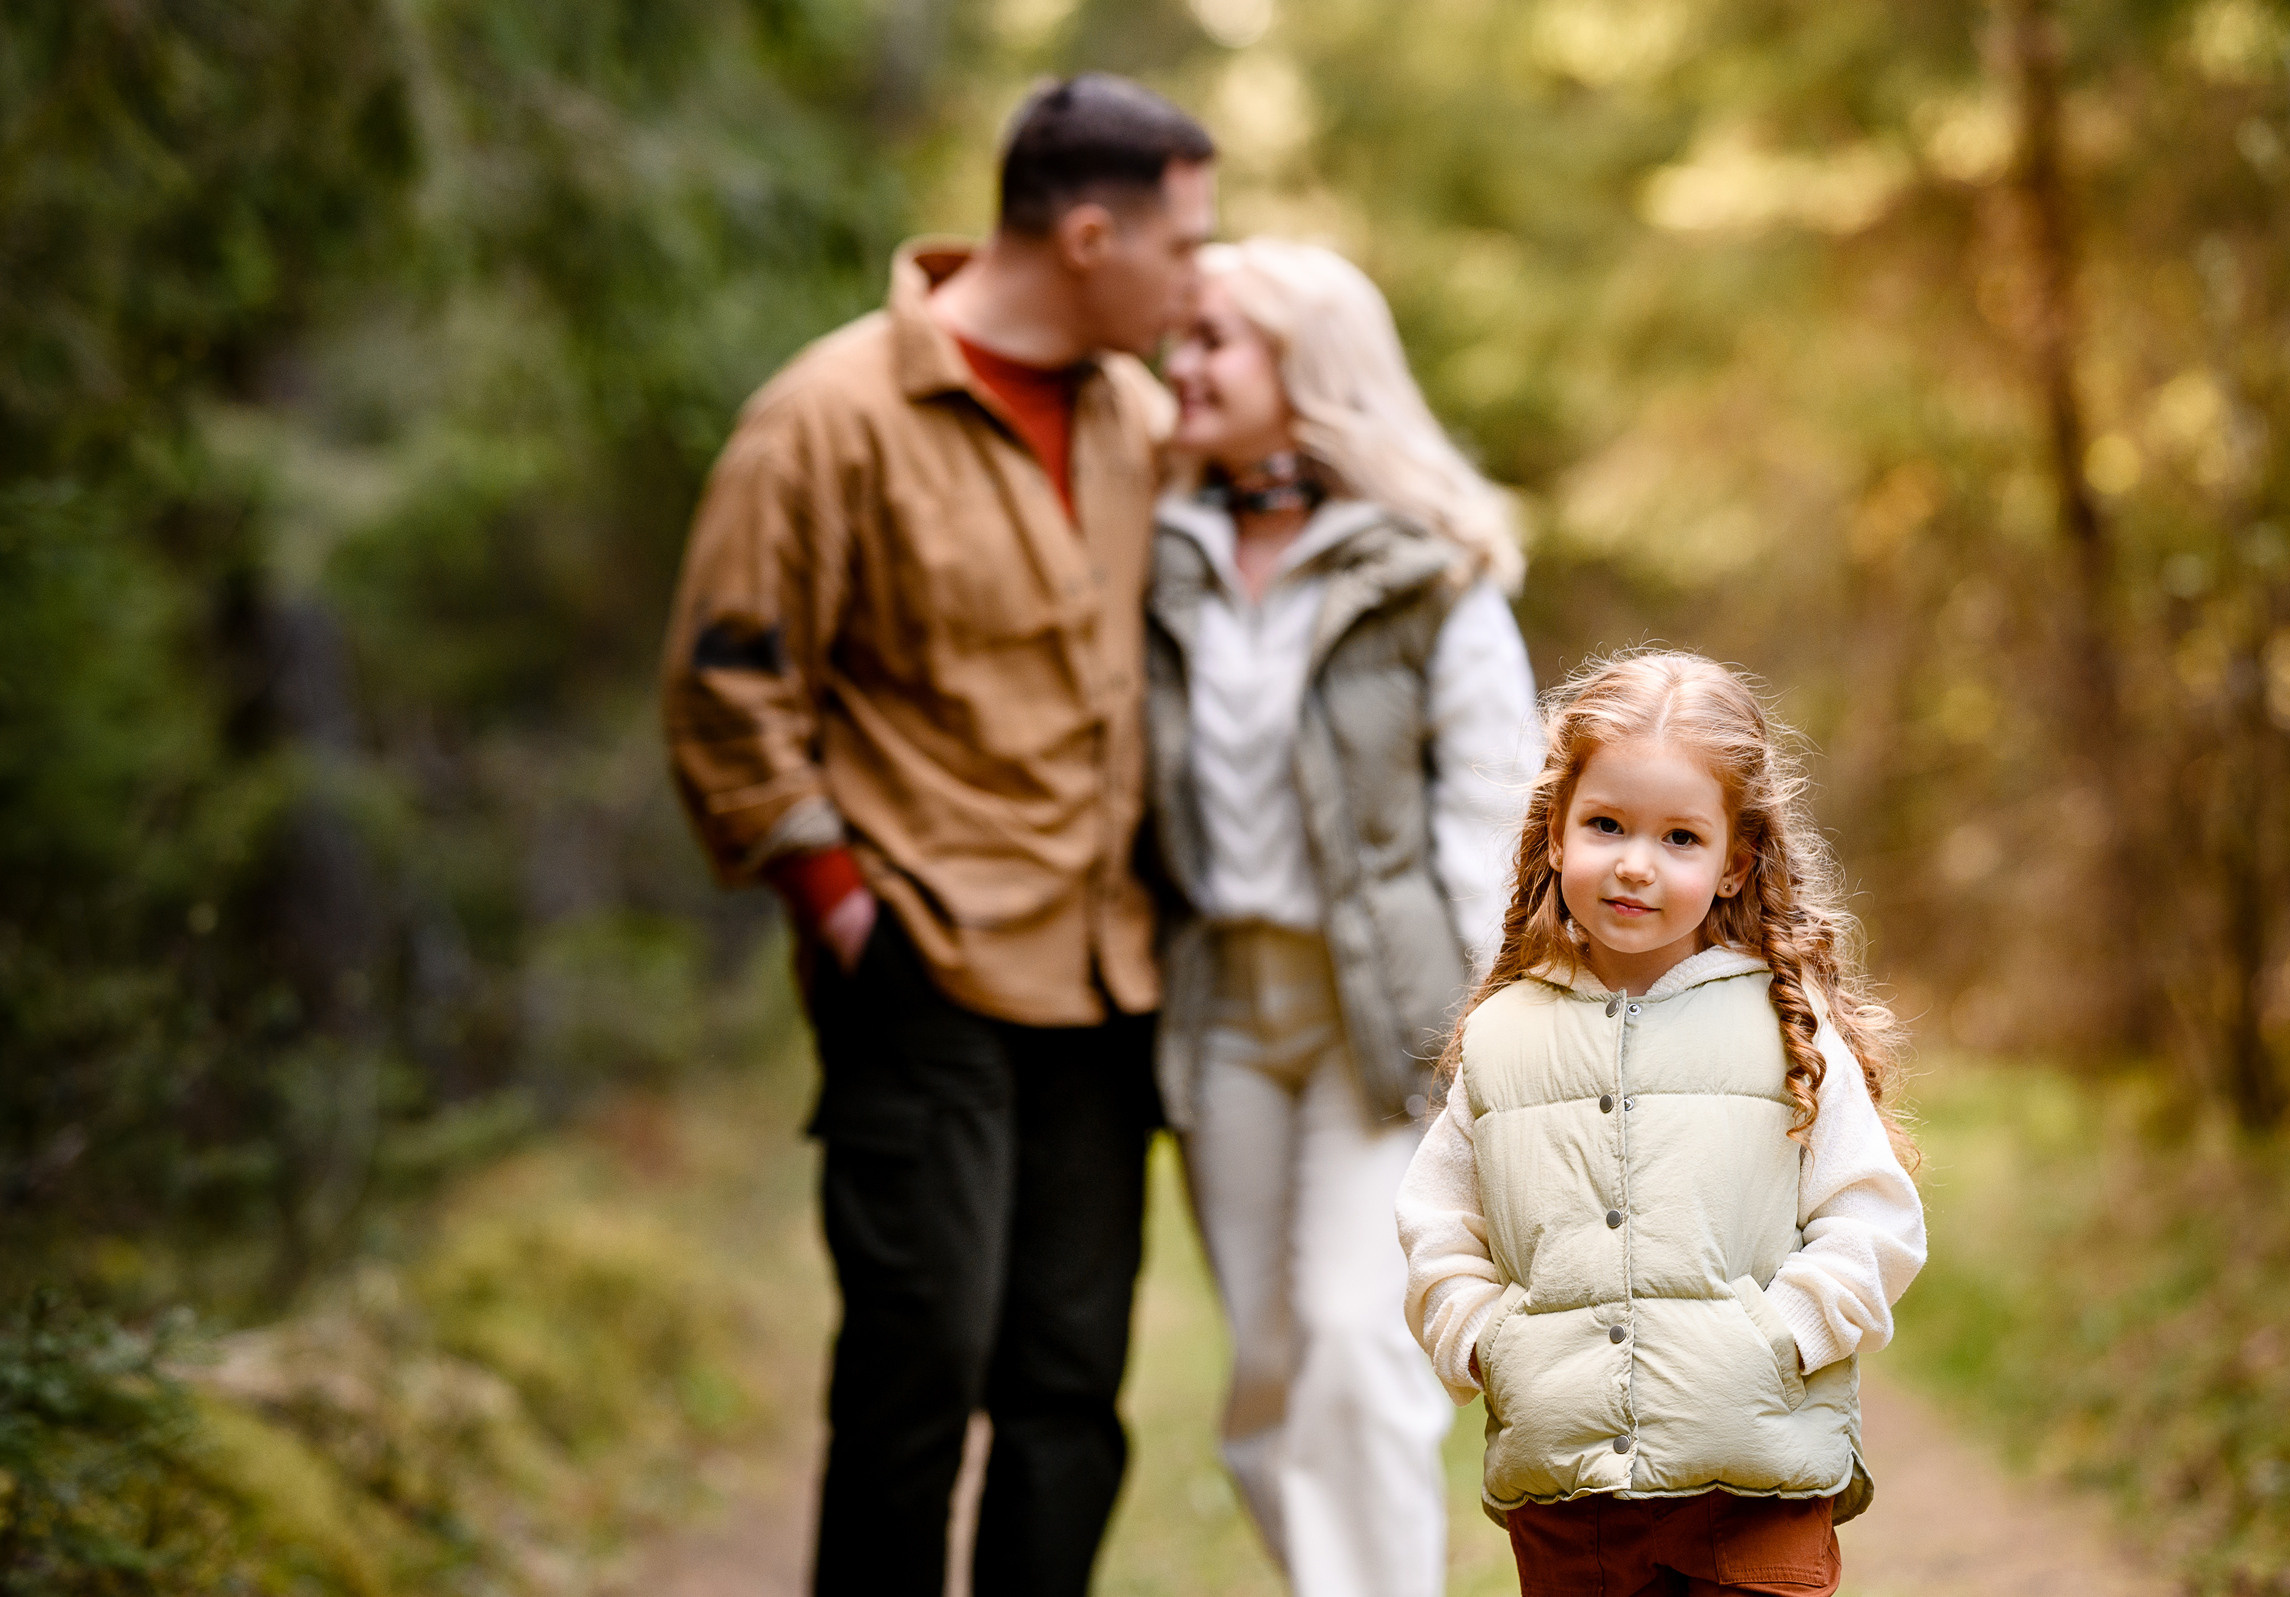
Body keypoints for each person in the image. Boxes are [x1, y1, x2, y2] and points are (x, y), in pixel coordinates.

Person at [659, 76, 1214, 1596]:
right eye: (1183, 247)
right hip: (923, 966)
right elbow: (726, 689)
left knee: (1069, 1385)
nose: (1197, 283)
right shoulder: (825, 416)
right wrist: (840, 904)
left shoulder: (1146, 419)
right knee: (918, 1377)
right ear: (1090, 235)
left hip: (1112, 982)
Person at [1144, 238, 1538, 1596]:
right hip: (1220, 1016)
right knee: (1263, 1371)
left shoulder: (1430, 573)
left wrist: (1494, 1044)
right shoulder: (1158, 552)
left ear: (1304, 370)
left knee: (1353, 1340)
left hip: (1384, 1019)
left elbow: (1496, 821)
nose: (1175, 363)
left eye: (1211, 341)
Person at [1397, 649, 1928, 1597]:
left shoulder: (1783, 1022)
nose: (1636, 864)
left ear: (1736, 862)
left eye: (1681, 837)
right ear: (1555, 837)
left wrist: (1778, 1339)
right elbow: (1440, 1228)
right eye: (1606, 825)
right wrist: (1490, 1345)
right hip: (1573, 1512)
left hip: (1759, 1490)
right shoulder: (1503, 1036)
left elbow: (1874, 1218)